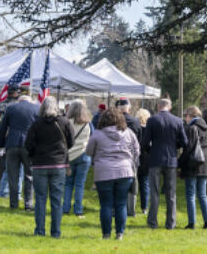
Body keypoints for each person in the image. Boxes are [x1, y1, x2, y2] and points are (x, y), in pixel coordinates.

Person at [86, 107, 139, 240]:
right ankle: (119, 233)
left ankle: (106, 234)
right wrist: (130, 161)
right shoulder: (128, 133)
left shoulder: (97, 134)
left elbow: (88, 152)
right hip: (125, 172)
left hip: (103, 172)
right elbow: (137, 150)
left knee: (106, 204)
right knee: (121, 203)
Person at [25, 96, 73, 238]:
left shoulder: (36, 124)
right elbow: (71, 141)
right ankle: (56, 232)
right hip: (59, 164)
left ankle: (40, 230)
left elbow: (28, 144)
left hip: (40, 165)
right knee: (56, 199)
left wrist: (34, 155)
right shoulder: (64, 122)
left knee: (40, 198)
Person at [143, 98, 187, 230]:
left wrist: (151, 151)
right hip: (171, 159)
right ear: (170, 107)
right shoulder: (178, 121)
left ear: (159, 106)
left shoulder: (152, 120)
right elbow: (185, 142)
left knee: (154, 192)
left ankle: (152, 222)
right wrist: (174, 146)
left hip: (155, 159)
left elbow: (145, 142)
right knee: (171, 194)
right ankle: (170, 223)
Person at [0, 90, 39, 210]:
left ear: (19, 100)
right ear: (29, 100)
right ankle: (28, 203)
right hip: (29, 146)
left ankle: (13, 204)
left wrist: (1, 145)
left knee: (13, 176)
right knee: (29, 176)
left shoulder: (11, 108)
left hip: (12, 144)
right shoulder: (36, 109)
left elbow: (2, 128)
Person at [179, 106, 207, 229]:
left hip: (193, 164)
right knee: (202, 194)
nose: (185, 119)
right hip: (205, 163)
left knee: (191, 194)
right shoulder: (206, 128)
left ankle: (192, 222)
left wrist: (180, 162)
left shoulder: (192, 128)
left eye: (186, 116)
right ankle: (206, 221)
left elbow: (188, 149)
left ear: (190, 116)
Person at [63, 100, 93, 218]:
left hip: (69, 156)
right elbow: (92, 138)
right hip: (84, 155)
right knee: (80, 184)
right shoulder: (88, 124)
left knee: (68, 184)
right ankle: (78, 210)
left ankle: (65, 208)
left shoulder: (66, 122)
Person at [134, 107, 151, 213]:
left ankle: (131, 205)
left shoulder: (134, 128)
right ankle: (144, 207)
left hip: (135, 157)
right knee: (145, 183)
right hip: (146, 158)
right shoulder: (149, 129)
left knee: (133, 183)